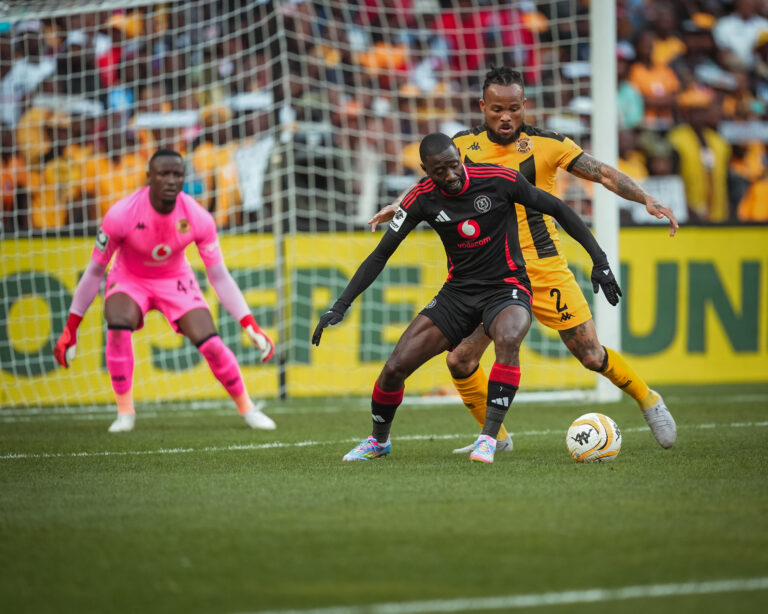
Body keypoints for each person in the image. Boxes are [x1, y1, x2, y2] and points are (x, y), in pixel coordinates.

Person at [368, 67, 678, 452]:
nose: (506, 117)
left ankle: (648, 399)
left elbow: (601, 173)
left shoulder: (548, 144)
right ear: (483, 106)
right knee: (460, 360)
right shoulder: (463, 145)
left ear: (524, 105)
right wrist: (398, 205)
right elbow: (432, 182)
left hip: (544, 268)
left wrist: (645, 197)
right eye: (497, 109)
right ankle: (495, 439)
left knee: (590, 355)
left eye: (513, 108)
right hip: (492, 274)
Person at [312, 132, 622, 464]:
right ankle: (378, 440)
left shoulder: (499, 179)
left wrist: (600, 260)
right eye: (439, 171)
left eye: (453, 165)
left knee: (508, 338)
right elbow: (380, 255)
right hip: (458, 293)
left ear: (460, 158)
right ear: (425, 170)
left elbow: (558, 208)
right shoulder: (420, 197)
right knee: (395, 368)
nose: (450, 176)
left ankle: (489, 439)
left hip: (507, 286)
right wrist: (340, 305)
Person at [53, 149, 276, 432]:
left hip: (175, 279)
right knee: (118, 324)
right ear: (149, 177)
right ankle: (125, 413)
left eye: (177, 174)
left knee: (211, 344)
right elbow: (95, 271)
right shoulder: (121, 215)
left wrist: (249, 323)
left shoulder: (198, 217)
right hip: (129, 278)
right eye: (164, 174)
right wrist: (71, 327)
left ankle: (247, 408)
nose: (171, 180)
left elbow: (219, 277)